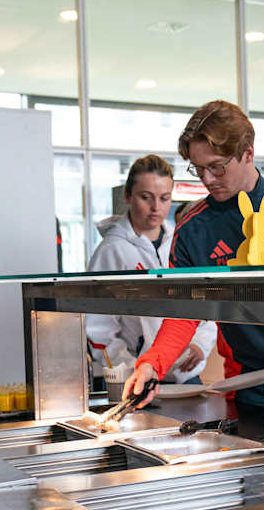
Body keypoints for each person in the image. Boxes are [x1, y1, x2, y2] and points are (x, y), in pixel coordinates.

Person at [122, 101, 264, 418]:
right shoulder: (193, 230)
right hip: (245, 387)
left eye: (217, 166)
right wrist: (152, 362)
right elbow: (184, 312)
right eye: (197, 167)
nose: (206, 178)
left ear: (248, 152)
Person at [86, 155, 216, 385]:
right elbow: (99, 329)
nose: (156, 207)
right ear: (128, 196)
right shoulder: (112, 251)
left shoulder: (181, 244)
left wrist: (200, 344)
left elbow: (204, 304)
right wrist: (131, 370)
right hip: (140, 377)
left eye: (164, 198)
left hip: (186, 375)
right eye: (146, 197)